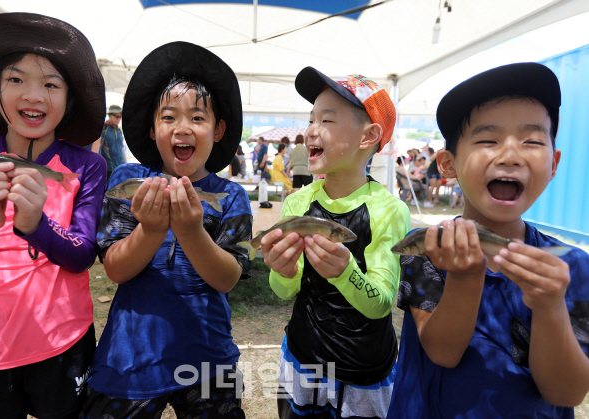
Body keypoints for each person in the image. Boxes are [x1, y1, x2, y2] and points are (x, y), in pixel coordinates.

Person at [388, 62, 589, 418]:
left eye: (532, 140)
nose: (510, 155)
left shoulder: (573, 267)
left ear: (554, 163)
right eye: (487, 140)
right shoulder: (427, 246)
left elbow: (566, 391)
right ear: (448, 164)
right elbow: (443, 351)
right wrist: (464, 277)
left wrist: (549, 306)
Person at [0, 13, 107, 419]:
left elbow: (83, 254)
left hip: (64, 342)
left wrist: (35, 226)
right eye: (16, 79)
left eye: (51, 84)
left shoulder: (86, 166)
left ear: (69, 99)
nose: (34, 94)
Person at [81, 41, 251, 419]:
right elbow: (115, 269)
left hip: (209, 357)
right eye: (169, 117)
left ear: (219, 129)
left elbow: (227, 278)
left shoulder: (230, 196)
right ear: (153, 128)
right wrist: (150, 231)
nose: (183, 128)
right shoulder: (128, 180)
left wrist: (191, 232)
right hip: (130, 355)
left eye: (197, 117)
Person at [261, 68, 410, 419]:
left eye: (326, 120)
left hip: (363, 371)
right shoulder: (298, 203)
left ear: (368, 136)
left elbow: (382, 304)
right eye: (311, 119)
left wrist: (346, 272)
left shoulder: (388, 210)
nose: (311, 129)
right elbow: (285, 292)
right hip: (303, 358)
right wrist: (281, 270)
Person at [90, 104, 124, 183]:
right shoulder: (103, 129)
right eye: (117, 116)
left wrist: (125, 164)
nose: (119, 119)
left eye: (120, 116)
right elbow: (97, 148)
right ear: (109, 115)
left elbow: (122, 148)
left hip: (119, 168)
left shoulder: (119, 130)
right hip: (108, 170)